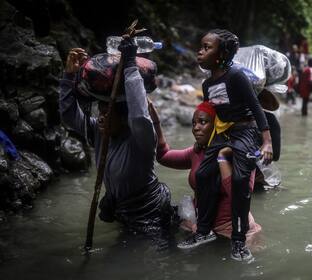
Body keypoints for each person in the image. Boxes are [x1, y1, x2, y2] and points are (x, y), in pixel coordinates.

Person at [176, 29, 273, 262]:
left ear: (222, 54)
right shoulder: (207, 84)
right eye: (201, 46)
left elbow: (256, 108)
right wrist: (201, 140)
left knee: (240, 180)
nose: (200, 51)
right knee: (203, 173)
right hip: (224, 133)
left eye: (207, 47)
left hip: (246, 131)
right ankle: (204, 231)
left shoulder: (236, 76)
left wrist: (267, 141)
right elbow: (210, 114)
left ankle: (239, 241)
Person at [59, 41, 173, 235]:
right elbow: (69, 116)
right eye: (100, 111)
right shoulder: (98, 130)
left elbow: (139, 115)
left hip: (149, 211)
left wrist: (130, 65)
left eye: (107, 112)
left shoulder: (140, 138)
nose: (101, 117)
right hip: (123, 210)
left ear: (123, 116)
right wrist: (69, 76)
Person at [148, 101, 261, 246]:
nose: (196, 128)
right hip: (200, 230)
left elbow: (240, 196)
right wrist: (156, 123)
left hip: (231, 233)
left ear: (218, 125)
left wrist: (222, 158)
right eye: (194, 123)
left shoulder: (239, 152)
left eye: (203, 122)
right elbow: (163, 156)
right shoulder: (197, 152)